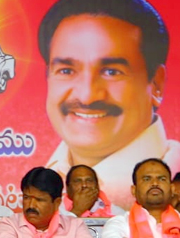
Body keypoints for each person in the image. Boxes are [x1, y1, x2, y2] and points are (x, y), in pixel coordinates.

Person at [39, 0, 177, 211]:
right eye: (66, 71)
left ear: (156, 84)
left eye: (111, 72)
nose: (87, 96)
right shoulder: (41, 185)